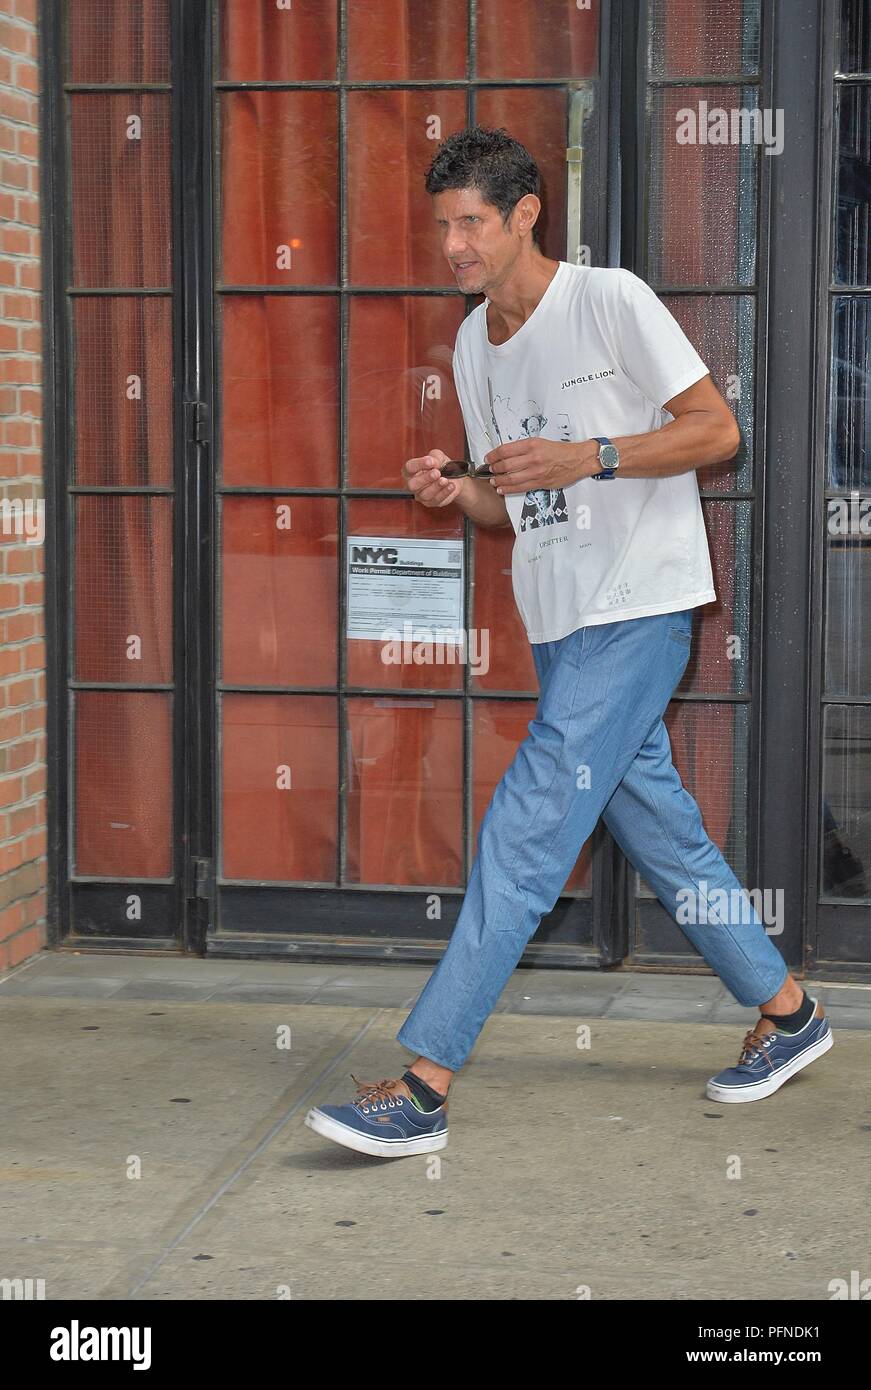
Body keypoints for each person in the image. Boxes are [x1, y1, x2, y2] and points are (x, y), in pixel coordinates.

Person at [305, 126, 833, 1158]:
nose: (454, 243)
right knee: (663, 836)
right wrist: (459, 490)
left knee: (525, 828)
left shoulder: (610, 300)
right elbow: (513, 506)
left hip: (636, 614)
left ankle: (423, 1084)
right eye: (443, 224)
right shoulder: (471, 344)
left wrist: (588, 453)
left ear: (524, 215)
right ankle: (789, 1013)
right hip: (561, 624)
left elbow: (715, 429)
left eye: (472, 222)